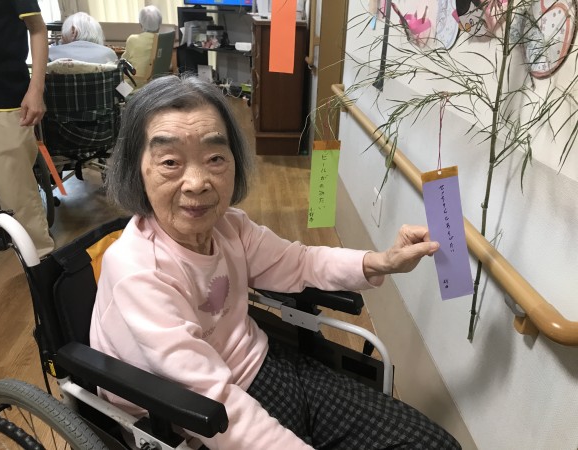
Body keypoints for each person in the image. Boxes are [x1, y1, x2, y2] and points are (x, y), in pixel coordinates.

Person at [90, 75, 461, 450]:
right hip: (191, 417)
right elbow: (213, 401)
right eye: (170, 162)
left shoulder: (230, 227)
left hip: (264, 367)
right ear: (136, 170)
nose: (197, 182)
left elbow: (301, 262)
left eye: (215, 158)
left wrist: (382, 261)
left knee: (434, 445)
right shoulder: (137, 271)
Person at [0, 0, 55, 258]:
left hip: (1, 99)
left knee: (18, 196)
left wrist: (36, 89)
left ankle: (41, 264)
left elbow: (38, 28)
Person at [48, 12, 117, 64]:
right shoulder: (110, 54)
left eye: (62, 35)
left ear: (73, 31)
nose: (61, 39)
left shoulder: (50, 53)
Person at [122, 5, 163, 85]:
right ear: (160, 23)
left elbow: (123, 61)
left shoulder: (132, 39)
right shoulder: (164, 39)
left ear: (140, 23)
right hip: (156, 84)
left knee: (114, 87)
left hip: (134, 84)